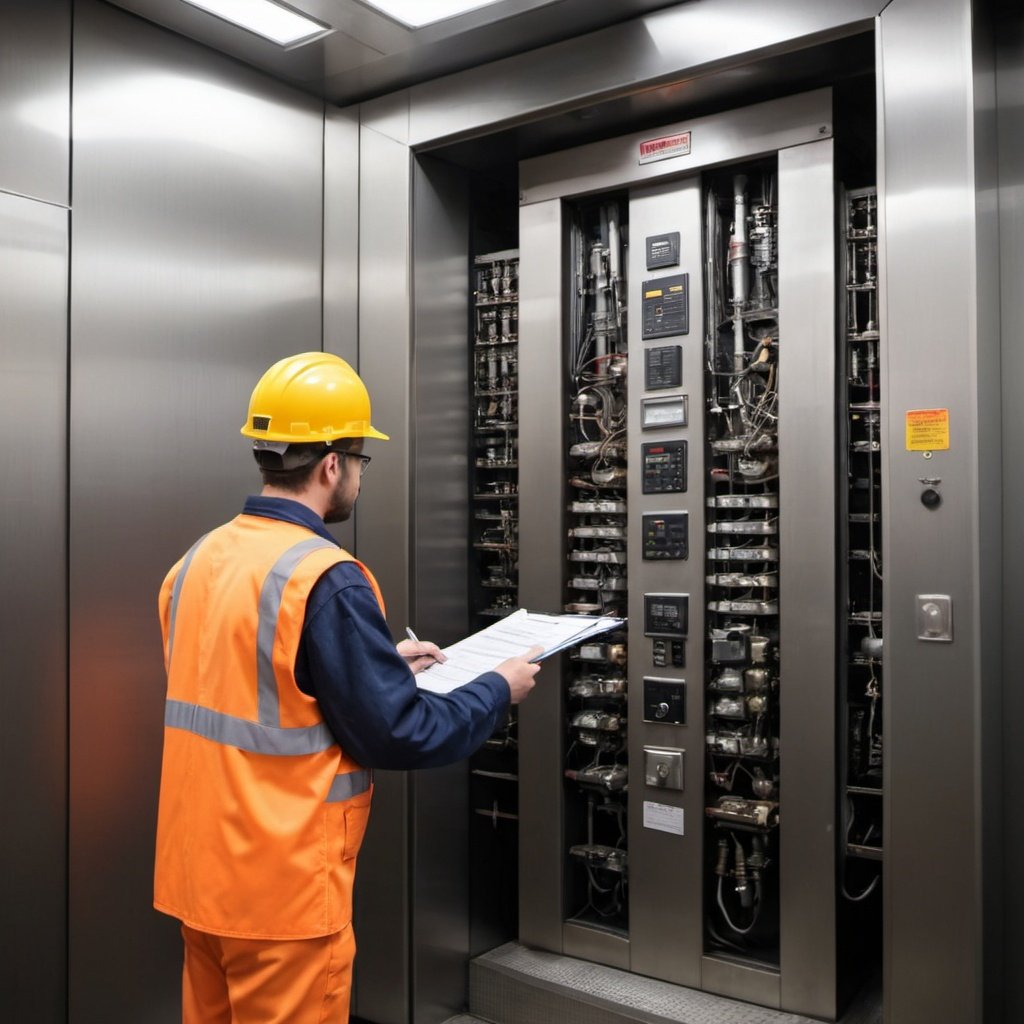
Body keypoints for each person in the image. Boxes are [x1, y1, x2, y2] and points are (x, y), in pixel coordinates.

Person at [153, 351, 540, 1023]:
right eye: (361, 460)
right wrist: (495, 691)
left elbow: (251, 683)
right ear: (332, 463)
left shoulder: (198, 560)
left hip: (198, 880)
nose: (359, 475)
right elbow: (399, 732)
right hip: (283, 896)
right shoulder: (324, 575)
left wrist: (374, 664)